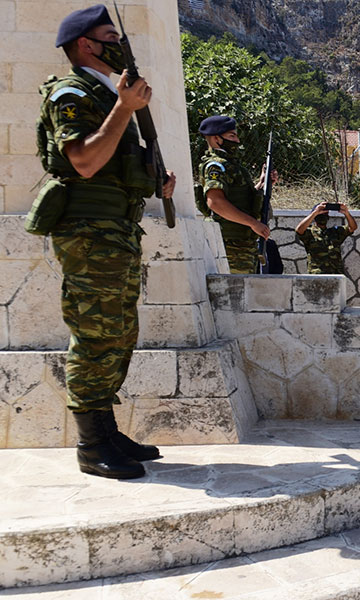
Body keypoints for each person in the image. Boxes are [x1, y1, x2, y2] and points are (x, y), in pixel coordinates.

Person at [37, 5, 178, 478]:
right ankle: (90, 445)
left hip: (116, 230)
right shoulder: (72, 93)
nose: (119, 46)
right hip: (87, 231)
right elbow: (83, 161)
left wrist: (153, 182)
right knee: (95, 335)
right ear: (85, 46)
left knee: (119, 334)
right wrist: (124, 107)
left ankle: (106, 430)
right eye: (108, 37)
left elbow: (115, 167)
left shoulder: (104, 94)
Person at [198, 116, 274, 274]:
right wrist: (253, 223)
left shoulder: (231, 165)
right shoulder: (216, 165)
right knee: (235, 294)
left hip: (242, 244)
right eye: (232, 136)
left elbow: (240, 198)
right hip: (230, 245)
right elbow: (216, 202)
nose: (237, 141)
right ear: (216, 139)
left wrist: (263, 183)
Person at [295, 201, 358, 274]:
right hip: (316, 276)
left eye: (325, 214)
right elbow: (299, 230)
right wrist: (315, 212)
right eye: (320, 213)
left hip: (335, 276)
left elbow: (352, 228)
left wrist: (346, 213)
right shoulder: (310, 233)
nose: (323, 216)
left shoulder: (335, 232)